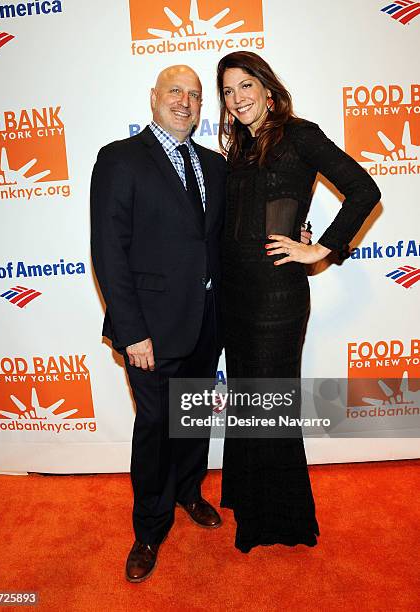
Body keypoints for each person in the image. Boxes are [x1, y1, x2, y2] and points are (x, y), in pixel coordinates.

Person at [216, 51, 381, 553]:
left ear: (268, 89)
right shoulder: (240, 148)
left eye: (246, 86)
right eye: (227, 91)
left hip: (275, 298)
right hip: (235, 294)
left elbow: (362, 188)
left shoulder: (300, 134)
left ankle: (278, 522)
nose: (238, 98)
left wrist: (321, 247)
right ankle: (249, 500)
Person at [90, 65, 227, 582]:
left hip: (205, 323)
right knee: (154, 428)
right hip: (148, 329)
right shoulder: (119, 160)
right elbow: (108, 251)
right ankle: (149, 527)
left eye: (194, 96)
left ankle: (189, 493)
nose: (185, 102)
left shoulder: (214, 166)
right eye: (176, 91)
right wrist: (131, 332)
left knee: (191, 419)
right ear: (153, 98)